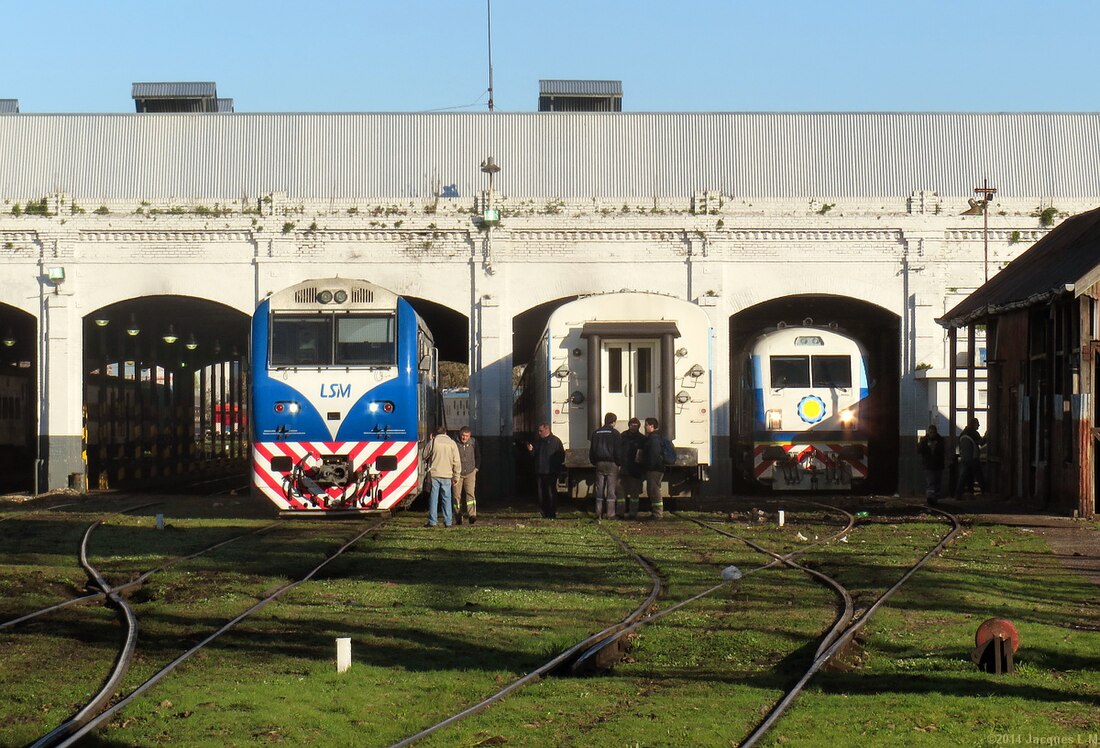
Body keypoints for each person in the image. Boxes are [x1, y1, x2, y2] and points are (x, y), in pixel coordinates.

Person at [425, 424, 461, 527]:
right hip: (447, 474)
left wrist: (430, 440)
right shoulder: (452, 443)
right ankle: (448, 521)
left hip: (434, 474)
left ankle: (432, 521)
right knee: (447, 498)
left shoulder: (433, 442)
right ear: (445, 433)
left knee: (434, 498)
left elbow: (424, 455)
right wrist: (456, 476)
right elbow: (457, 461)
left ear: (435, 434)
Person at [588, 412, 622, 519]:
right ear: (614, 422)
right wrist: (619, 462)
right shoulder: (615, 433)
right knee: (611, 490)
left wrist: (594, 462)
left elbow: (592, 450)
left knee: (599, 489)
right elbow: (618, 450)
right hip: (612, 464)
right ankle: (610, 514)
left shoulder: (596, 433)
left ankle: (598, 513)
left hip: (599, 463)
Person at [528, 423, 564, 519]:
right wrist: (531, 451)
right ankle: (544, 512)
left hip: (551, 472)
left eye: (541, 430)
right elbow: (534, 455)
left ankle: (552, 512)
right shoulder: (538, 442)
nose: (539, 433)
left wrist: (555, 467)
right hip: (540, 472)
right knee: (541, 494)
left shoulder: (555, 441)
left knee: (551, 492)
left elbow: (561, 456)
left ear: (547, 429)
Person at [619, 417, 646, 519]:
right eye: (631, 425)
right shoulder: (623, 436)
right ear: (629, 425)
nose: (633, 427)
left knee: (635, 493)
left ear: (638, 426)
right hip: (624, 468)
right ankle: (620, 512)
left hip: (635, 469)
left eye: (635, 425)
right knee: (621, 492)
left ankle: (633, 513)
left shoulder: (642, 439)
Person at [453, 426, 480, 525]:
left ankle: (472, 515)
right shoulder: (454, 443)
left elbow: (478, 456)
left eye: (466, 436)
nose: (464, 438)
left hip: (470, 472)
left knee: (470, 494)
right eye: (463, 436)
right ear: (460, 434)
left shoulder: (473, 442)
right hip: (457, 473)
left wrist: (476, 468)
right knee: (456, 496)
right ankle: (458, 516)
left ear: (470, 436)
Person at [955, 417, 988, 498]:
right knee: (979, 476)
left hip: (964, 458)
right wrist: (987, 435)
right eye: (977, 424)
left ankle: (959, 494)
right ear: (974, 424)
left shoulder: (963, 433)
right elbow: (981, 443)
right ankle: (984, 492)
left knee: (963, 477)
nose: (979, 426)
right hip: (973, 458)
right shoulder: (973, 433)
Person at [641, 417, 666, 519]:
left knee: (654, 491)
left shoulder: (653, 439)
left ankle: (657, 513)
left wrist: (648, 467)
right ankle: (656, 512)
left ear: (652, 426)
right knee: (653, 490)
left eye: (646, 425)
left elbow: (653, 455)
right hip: (657, 468)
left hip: (654, 469)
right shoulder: (656, 437)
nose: (644, 426)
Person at [917, 424, 945, 504]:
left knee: (936, 482)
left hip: (937, 465)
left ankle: (934, 498)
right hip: (929, 465)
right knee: (931, 482)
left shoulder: (940, 440)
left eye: (933, 432)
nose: (932, 434)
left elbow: (942, 451)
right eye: (930, 432)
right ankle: (930, 498)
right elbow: (919, 450)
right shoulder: (924, 440)